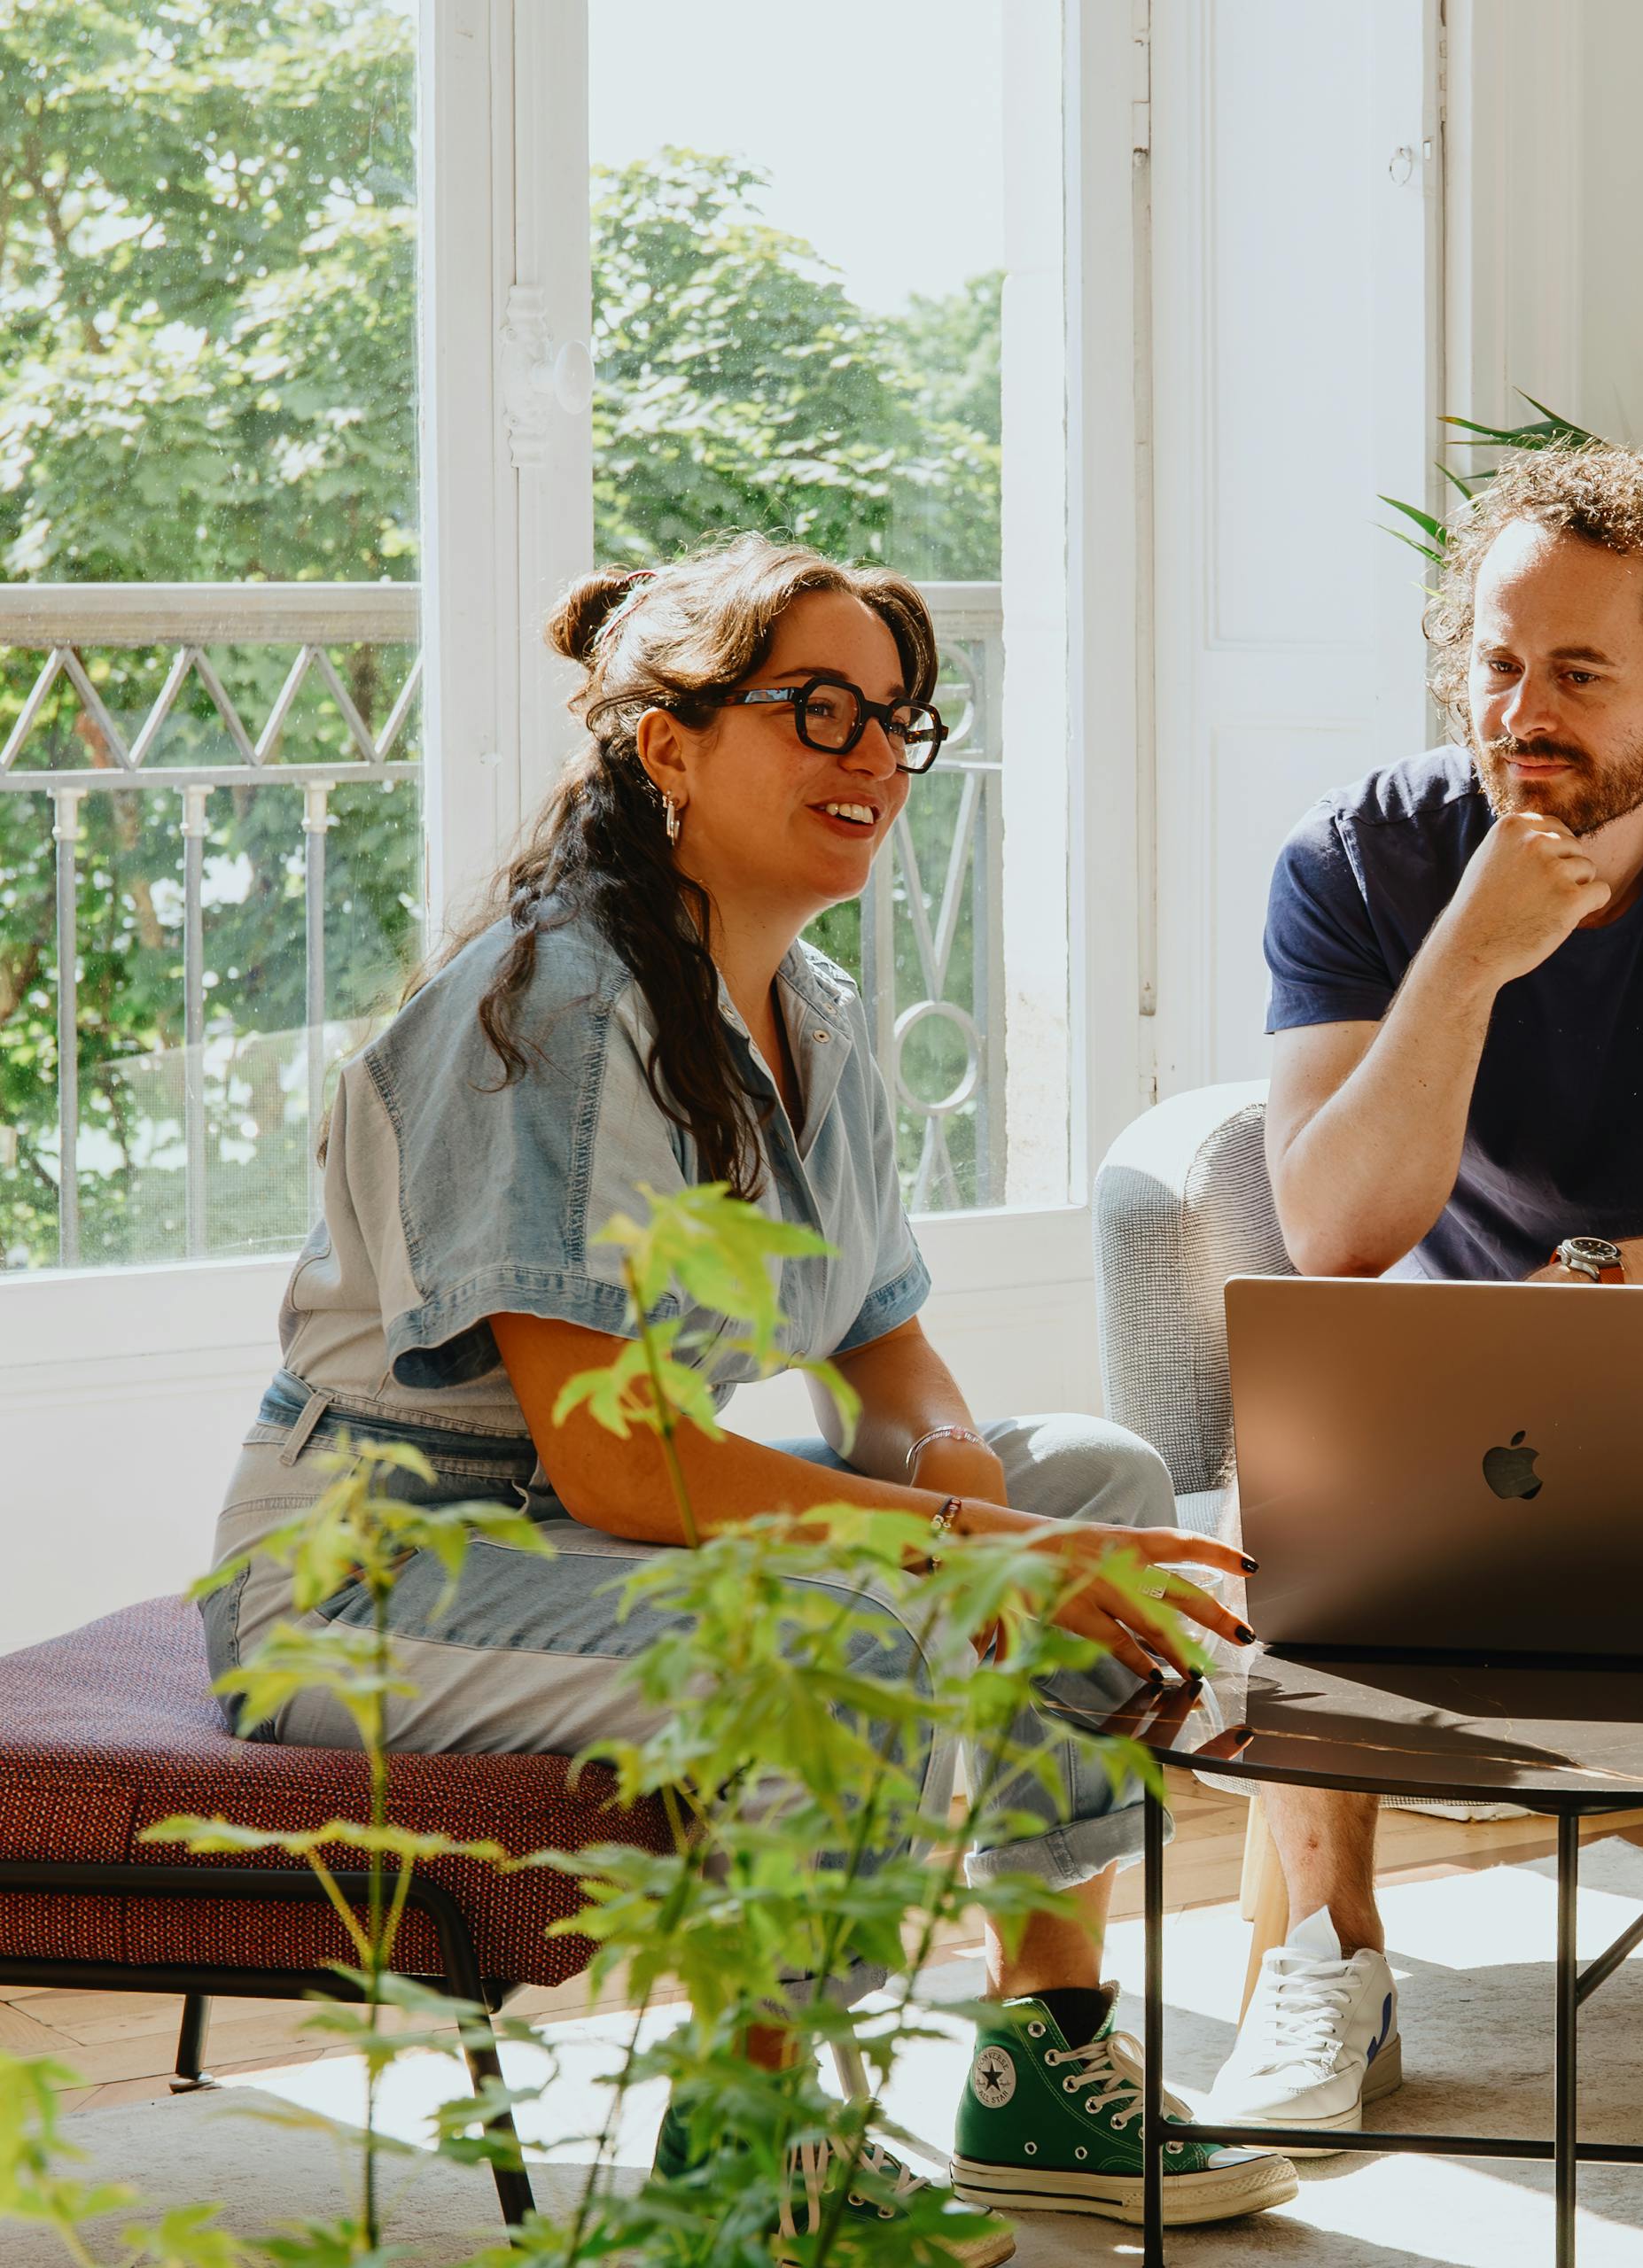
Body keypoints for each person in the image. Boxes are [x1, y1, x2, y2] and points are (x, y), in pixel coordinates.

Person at [199, 537, 1295, 2248]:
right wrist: (960, 1552)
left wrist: (983, 1500)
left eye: (896, 722)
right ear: (671, 745)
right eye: (820, 711)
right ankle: (759, 2159)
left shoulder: (812, 1018)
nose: (872, 756)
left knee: (1087, 1471)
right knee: (838, 1625)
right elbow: (627, 1467)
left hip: (578, 1542)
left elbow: (885, 1348)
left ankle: (1039, 2055)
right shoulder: (553, 1012)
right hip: (378, 1569)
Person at [1207, 442, 1643, 2151]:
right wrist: (1470, 946)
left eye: (1584, 673)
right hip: (1434, 1338)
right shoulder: (1360, 859)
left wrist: (1603, 1280)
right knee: (1323, 1365)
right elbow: (1334, 1230)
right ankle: (1333, 1961)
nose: (1532, 708)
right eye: (1500, 665)